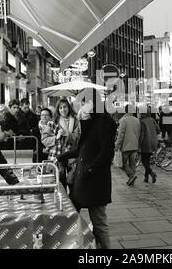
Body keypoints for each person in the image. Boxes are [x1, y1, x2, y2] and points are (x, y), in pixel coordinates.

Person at [57, 88, 117, 249]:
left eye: (84, 103)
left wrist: (90, 170)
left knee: (99, 222)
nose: (81, 107)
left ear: (93, 103)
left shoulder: (105, 121)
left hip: (95, 180)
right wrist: (62, 157)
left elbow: (107, 152)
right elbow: (82, 149)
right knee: (72, 215)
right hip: (83, 180)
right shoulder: (91, 121)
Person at [40, 99, 80, 188]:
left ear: (69, 107)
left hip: (72, 155)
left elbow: (78, 138)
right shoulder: (52, 122)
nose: (63, 110)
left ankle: (73, 200)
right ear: (58, 109)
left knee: (72, 181)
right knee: (60, 182)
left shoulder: (76, 122)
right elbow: (44, 139)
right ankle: (63, 200)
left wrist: (68, 135)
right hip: (57, 155)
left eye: (65, 107)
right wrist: (56, 137)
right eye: (60, 107)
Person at [115, 104, 141, 186]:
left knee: (122, 164)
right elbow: (139, 133)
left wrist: (117, 145)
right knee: (132, 163)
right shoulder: (137, 120)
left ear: (125, 110)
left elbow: (121, 134)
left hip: (126, 145)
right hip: (135, 145)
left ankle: (131, 176)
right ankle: (131, 180)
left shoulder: (123, 120)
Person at [138, 107, 160, 183]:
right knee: (147, 160)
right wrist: (153, 135)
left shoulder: (142, 121)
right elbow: (158, 130)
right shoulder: (152, 120)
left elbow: (142, 134)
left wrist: (139, 145)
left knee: (144, 161)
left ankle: (151, 173)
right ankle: (146, 177)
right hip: (153, 143)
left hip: (145, 143)